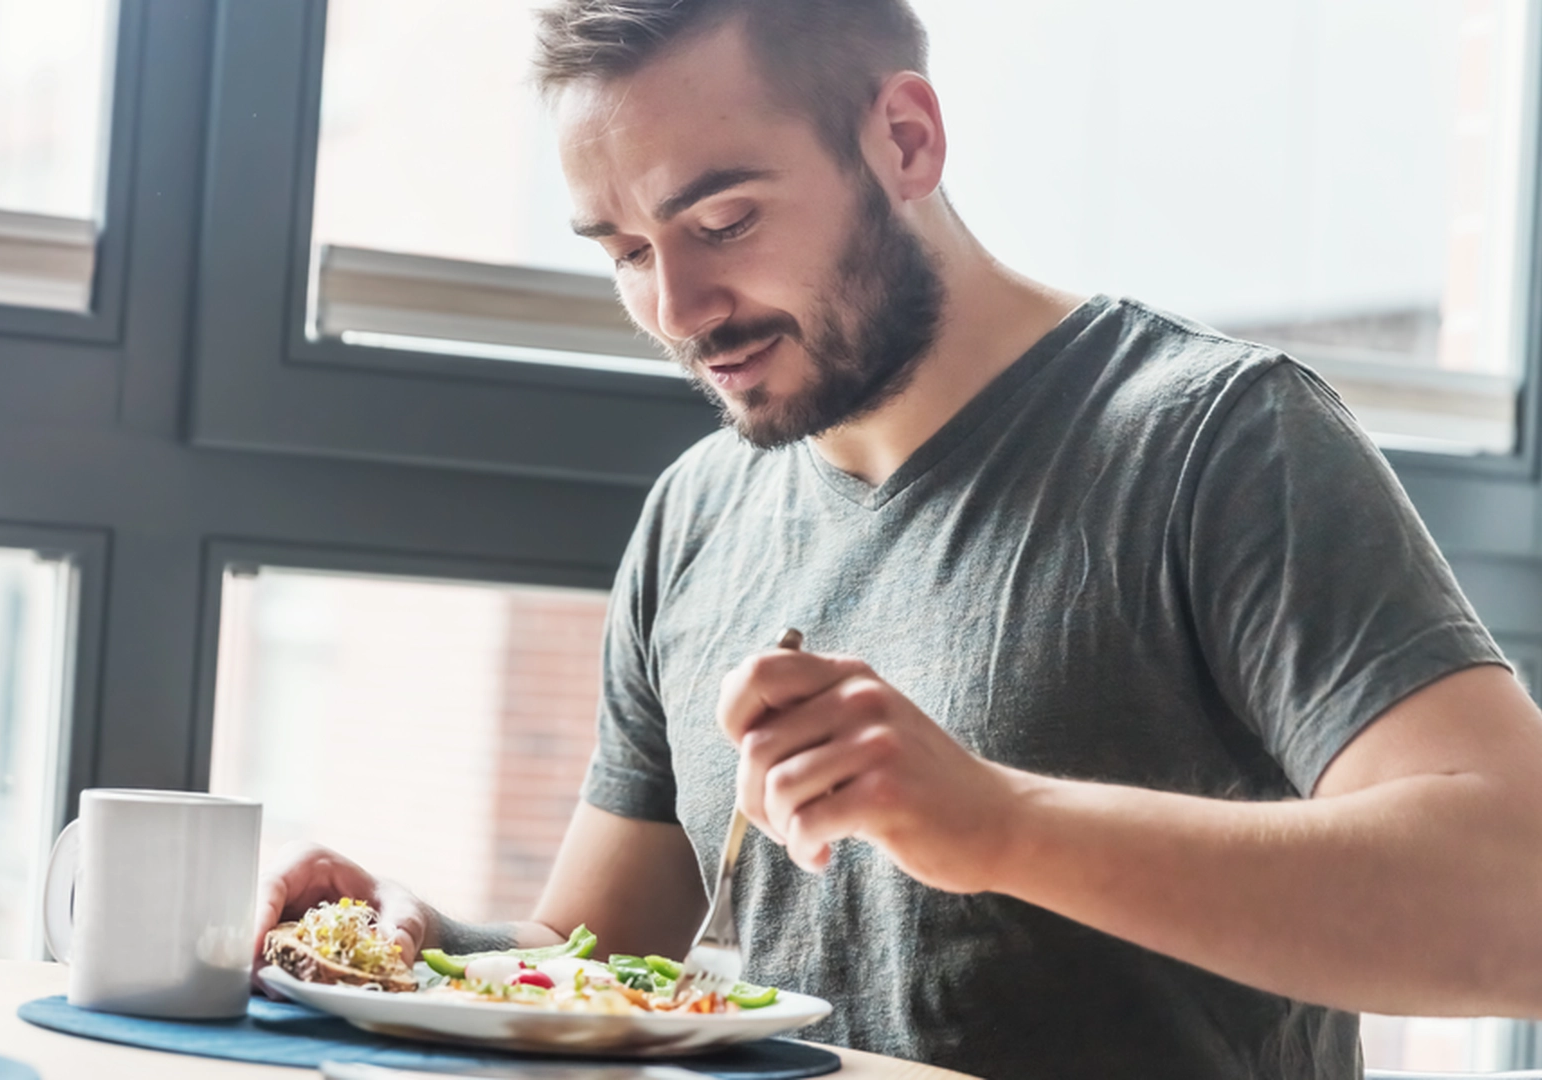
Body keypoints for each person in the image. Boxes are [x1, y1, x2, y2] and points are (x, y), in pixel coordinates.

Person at [253, 2, 1542, 1076]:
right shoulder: (698, 514)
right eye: (625, 250)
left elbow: (1515, 903)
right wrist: (424, 950)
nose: (678, 309)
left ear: (905, 139)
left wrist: (997, 824)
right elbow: (601, 966)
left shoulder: (1218, 442)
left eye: (722, 223)